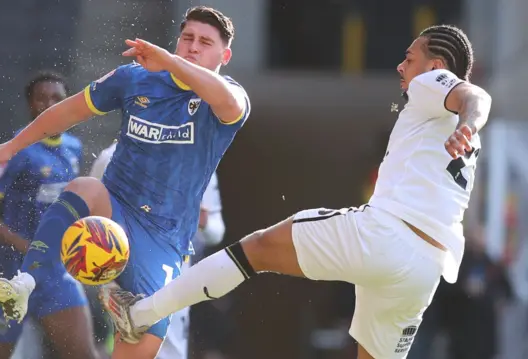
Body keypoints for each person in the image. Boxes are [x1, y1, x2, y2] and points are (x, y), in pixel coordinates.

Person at [102, 25, 492, 359]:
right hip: (426, 268)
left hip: (386, 235)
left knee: (256, 249)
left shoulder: (433, 85)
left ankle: (139, 315)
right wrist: (468, 127)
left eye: (409, 58)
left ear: (437, 67)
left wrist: (470, 123)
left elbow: (477, 97)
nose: (401, 67)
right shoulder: (440, 117)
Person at [0, 6, 250, 358]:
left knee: (143, 345)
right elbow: (70, 110)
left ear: (225, 55)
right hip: (115, 209)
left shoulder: (230, 96)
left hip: (164, 239)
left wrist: (171, 63)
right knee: (85, 186)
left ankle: (121, 298)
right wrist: (11, 147)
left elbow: (227, 102)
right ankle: (25, 281)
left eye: (205, 42)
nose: (192, 47)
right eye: (187, 38)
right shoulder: (135, 77)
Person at [0, 71, 102, 359]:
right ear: (29, 104)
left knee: (84, 354)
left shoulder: (73, 148)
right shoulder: (17, 149)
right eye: (41, 98)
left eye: (57, 99)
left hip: (54, 271)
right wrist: (24, 245)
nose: (49, 104)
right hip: (8, 272)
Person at [90, 141, 226, 359]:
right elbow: (91, 225)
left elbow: (216, 233)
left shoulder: (203, 161)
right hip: (123, 282)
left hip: (176, 280)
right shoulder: (111, 156)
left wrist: (203, 220)